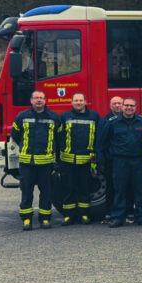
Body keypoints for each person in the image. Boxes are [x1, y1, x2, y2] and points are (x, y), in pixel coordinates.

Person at [96, 97, 142, 228]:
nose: (129, 108)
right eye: (126, 105)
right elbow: (103, 142)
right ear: (122, 107)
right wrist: (103, 160)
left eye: (132, 106)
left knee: (139, 190)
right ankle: (117, 217)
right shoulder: (112, 123)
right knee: (119, 190)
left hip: (138, 161)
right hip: (120, 161)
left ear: (135, 107)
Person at [12, 90, 62, 230]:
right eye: (36, 98)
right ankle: (27, 220)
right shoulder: (22, 116)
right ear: (31, 100)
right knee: (26, 192)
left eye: (41, 98)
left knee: (46, 192)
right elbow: (15, 135)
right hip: (27, 163)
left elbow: (59, 138)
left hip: (46, 163)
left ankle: (45, 219)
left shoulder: (54, 117)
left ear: (45, 101)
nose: (39, 100)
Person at [57, 93, 101, 225]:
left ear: (85, 102)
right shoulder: (64, 116)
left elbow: (98, 136)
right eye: (76, 100)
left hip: (86, 161)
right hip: (67, 161)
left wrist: (96, 157)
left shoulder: (94, 116)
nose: (78, 103)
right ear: (72, 102)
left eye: (81, 100)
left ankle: (84, 215)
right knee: (68, 188)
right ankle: (68, 216)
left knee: (85, 189)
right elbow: (58, 137)